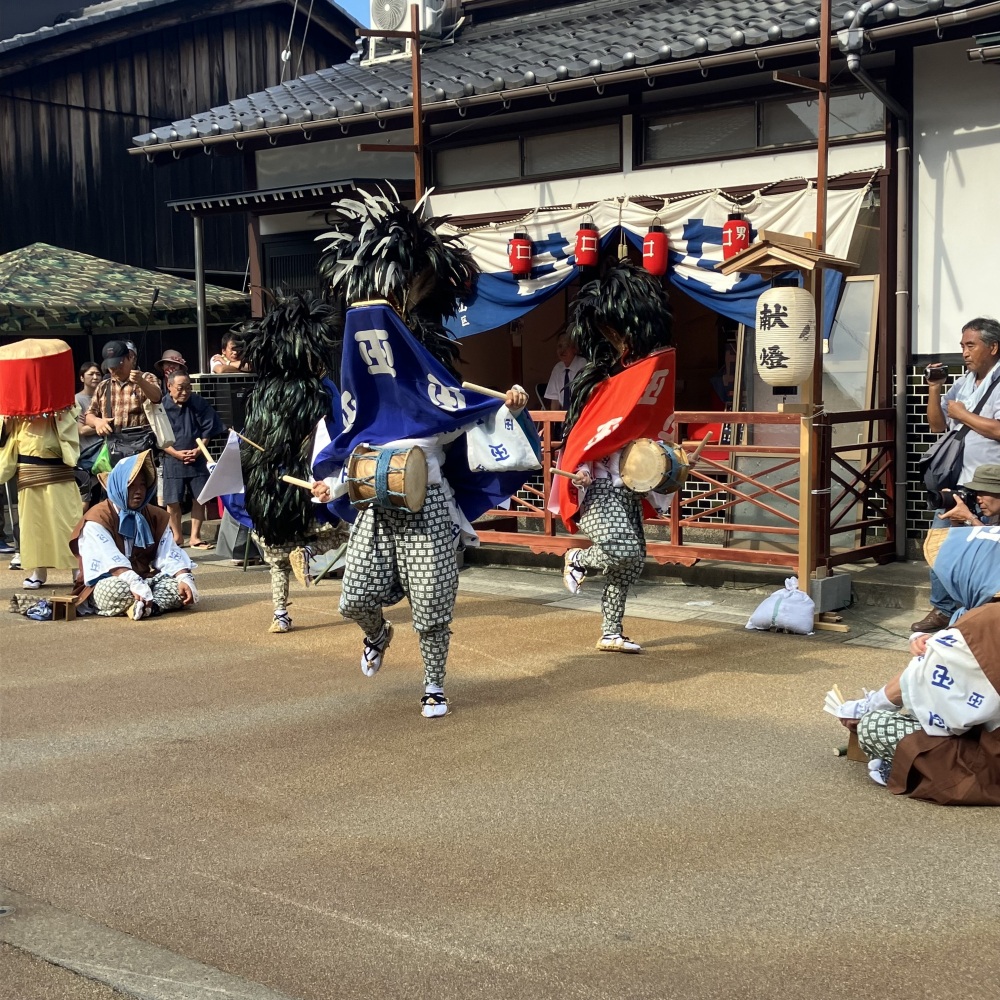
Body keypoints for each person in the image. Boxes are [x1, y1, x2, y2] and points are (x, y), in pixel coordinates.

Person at [314, 189, 538, 718]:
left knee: (433, 604)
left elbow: (470, 413)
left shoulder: (434, 373)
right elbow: (351, 445)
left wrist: (511, 404)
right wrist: (337, 486)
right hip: (375, 504)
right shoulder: (360, 384)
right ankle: (377, 633)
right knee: (355, 599)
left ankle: (434, 683)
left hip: (430, 502)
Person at [555, 259, 676, 654]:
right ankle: (578, 557)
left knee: (632, 560)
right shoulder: (598, 382)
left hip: (628, 488)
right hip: (599, 488)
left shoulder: (645, 379)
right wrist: (582, 469)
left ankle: (611, 630)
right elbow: (586, 434)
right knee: (620, 550)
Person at [213, 293, 348, 634]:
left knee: (272, 546)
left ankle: (280, 614)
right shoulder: (320, 388)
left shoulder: (263, 390)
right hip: (303, 478)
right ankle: (306, 549)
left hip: (264, 479)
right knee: (344, 528)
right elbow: (335, 433)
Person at [828, 600, 1000, 805]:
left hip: (987, 761)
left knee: (874, 725)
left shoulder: (989, 618)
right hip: (983, 728)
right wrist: (935, 642)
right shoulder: (986, 618)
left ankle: (907, 768)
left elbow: (916, 677)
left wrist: (869, 706)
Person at [913, 316, 1000, 632]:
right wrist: (934, 389)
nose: (964, 352)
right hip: (958, 481)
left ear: (993, 347)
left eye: (970, 345)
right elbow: (937, 425)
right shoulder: (964, 382)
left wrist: (963, 414)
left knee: (987, 551)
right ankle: (942, 610)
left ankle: (984, 614)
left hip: (992, 486)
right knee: (942, 544)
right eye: (962, 345)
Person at [69, 450, 197, 619]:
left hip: (145, 580)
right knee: (114, 590)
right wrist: (132, 582)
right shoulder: (97, 518)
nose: (139, 491)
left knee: (177, 587)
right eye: (131, 485)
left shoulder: (154, 515)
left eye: (142, 485)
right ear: (119, 485)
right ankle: (143, 603)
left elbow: (169, 552)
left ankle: (149, 606)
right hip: (110, 581)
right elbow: (108, 556)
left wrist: (183, 577)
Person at [0, 338, 83, 590]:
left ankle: (78, 569)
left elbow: (72, 420)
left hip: (57, 466)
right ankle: (38, 572)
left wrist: (55, 410)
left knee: (68, 518)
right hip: (28, 468)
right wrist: (13, 412)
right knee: (33, 523)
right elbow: (4, 434)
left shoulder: (64, 403)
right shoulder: (11, 409)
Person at [160, 371, 224, 548]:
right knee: (172, 501)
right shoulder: (162, 406)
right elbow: (158, 437)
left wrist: (199, 450)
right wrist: (176, 454)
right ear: (169, 386)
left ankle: (195, 536)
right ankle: (177, 537)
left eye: (188, 387)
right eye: (180, 388)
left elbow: (208, 430)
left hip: (197, 456)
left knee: (199, 498)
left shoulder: (198, 402)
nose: (185, 392)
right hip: (172, 458)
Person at [85, 340, 162, 462]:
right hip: (113, 447)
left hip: (141, 445)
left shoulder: (147, 377)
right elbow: (89, 415)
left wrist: (141, 382)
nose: (115, 369)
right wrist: (97, 422)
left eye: (119, 364)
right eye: (111, 366)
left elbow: (157, 397)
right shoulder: (103, 386)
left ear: (130, 358)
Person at [543, 331, 586, 410]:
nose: (562, 351)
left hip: (582, 414)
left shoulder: (583, 365)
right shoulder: (558, 368)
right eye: (560, 346)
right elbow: (554, 400)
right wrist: (554, 421)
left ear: (575, 349)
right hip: (564, 417)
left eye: (567, 346)